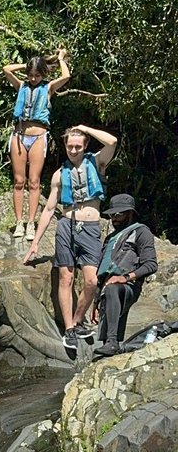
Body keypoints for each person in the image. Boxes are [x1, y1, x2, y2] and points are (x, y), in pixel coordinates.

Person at [23, 125, 118, 349]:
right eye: (69, 146)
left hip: (90, 227)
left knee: (91, 280)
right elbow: (48, 209)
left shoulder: (96, 162)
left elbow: (112, 142)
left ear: (85, 146)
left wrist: (83, 128)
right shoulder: (59, 175)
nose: (73, 150)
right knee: (66, 278)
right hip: (66, 226)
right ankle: (69, 329)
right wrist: (35, 242)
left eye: (78, 146)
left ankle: (77, 321)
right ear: (65, 147)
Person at [4, 50, 70, 241]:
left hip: (38, 136)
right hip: (19, 135)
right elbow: (6, 70)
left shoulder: (48, 88)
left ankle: (31, 223)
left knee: (34, 181)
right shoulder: (22, 86)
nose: (33, 78)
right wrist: (25, 66)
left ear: (43, 74)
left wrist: (59, 59)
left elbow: (66, 76)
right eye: (30, 75)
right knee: (18, 181)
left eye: (37, 75)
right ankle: (19, 222)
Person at [91, 194, 158, 356]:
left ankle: (113, 342)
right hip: (107, 289)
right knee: (111, 291)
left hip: (128, 286)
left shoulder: (141, 232)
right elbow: (103, 271)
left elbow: (151, 265)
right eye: (112, 215)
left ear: (130, 213)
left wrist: (126, 277)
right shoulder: (110, 239)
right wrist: (95, 301)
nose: (114, 218)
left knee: (114, 288)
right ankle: (110, 344)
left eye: (119, 214)